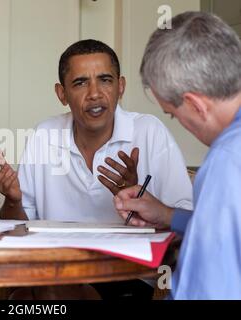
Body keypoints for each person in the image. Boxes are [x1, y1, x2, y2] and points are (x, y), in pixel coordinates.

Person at [0, 39, 193, 299]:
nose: (95, 93)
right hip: (58, 271)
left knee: (47, 294)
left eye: (105, 80)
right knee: (27, 296)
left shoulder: (149, 132)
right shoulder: (44, 135)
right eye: (80, 82)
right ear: (62, 94)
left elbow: (188, 224)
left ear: (120, 87)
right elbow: (16, 228)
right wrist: (13, 200)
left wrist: (137, 199)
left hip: (129, 276)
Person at [113, 12, 241, 299]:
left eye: (172, 115)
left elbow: (207, 291)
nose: (178, 122)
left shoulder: (227, 160)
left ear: (196, 105)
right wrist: (168, 215)